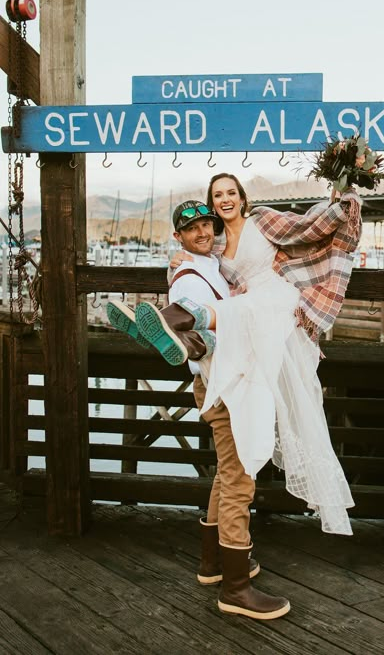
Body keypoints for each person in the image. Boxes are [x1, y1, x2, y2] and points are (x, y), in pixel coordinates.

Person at [141, 173, 360, 541]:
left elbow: (308, 228)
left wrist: (344, 199)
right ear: (213, 205)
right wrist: (173, 260)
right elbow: (193, 262)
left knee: (241, 314)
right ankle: (177, 325)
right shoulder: (214, 243)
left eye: (231, 193)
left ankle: (175, 321)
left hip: (278, 304)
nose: (225, 199)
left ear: (242, 198)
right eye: (218, 195)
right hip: (255, 322)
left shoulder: (263, 221)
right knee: (239, 438)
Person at [107, 200, 290, 621]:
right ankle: (236, 588)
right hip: (222, 382)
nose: (203, 232)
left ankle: (213, 566)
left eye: (206, 224)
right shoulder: (189, 275)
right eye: (193, 229)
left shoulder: (206, 265)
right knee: (240, 480)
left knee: (226, 475)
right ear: (180, 236)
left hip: (218, 376)